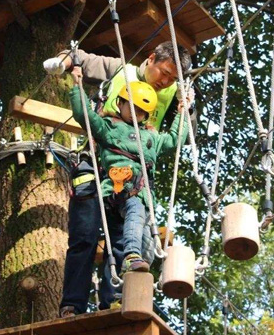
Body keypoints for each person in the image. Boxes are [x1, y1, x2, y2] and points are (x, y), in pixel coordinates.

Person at [43, 41, 193, 317]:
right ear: (151, 59)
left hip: (132, 175)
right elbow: (79, 57)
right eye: (164, 72)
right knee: (84, 236)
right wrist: (64, 65)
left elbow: (176, 137)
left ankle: (112, 302)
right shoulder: (119, 70)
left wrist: (186, 107)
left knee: (123, 239)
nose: (166, 81)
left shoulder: (172, 93)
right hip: (95, 165)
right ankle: (72, 305)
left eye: (173, 78)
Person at [69, 76, 188, 277]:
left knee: (131, 243)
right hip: (118, 190)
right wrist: (77, 86)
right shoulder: (109, 127)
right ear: (120, 103)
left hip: (141, 194)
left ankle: (117, 295)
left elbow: (175, 139)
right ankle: (132, 255)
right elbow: (85, 115)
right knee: (134, 210)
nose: (136, 114)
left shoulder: (152, 136)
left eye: (141, 111)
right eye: (132, 107)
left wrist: (183, 112)